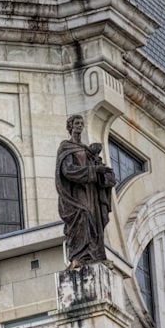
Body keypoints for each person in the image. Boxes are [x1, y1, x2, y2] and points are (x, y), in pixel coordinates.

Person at [55, 114, 116, 268]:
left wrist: (102, 171)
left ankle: (97, 256)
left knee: (95, 220)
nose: (79, 125)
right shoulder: (66, 147)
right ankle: (79, 256)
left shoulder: (86, 150)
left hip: (91, 193)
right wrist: (94, 170)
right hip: (76, 193)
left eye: (81, 123)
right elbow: (68, 170)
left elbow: (97, 169)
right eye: (76, 123)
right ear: (70, 126)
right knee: (83, 215)